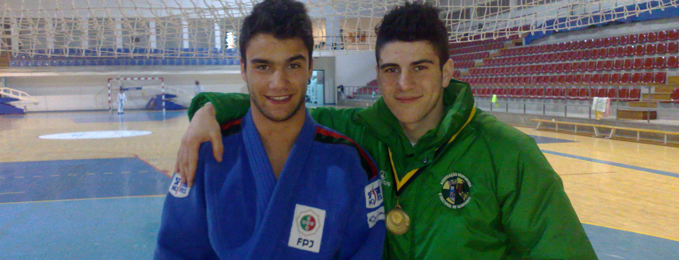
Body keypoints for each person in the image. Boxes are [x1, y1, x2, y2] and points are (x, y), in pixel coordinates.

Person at [174, 2, 598, 259]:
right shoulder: (361, 131)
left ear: (447, 71)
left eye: (420, 68)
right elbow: (284, 104)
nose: (404, 85)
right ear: (377, 72)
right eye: (391, 70)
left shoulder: (508, 154)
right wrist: (207, 109)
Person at [154, 0, 385, 259]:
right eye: (263, 66)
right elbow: (175, 251)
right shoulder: (206, 156)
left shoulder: (349, 164)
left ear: (310, 67)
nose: (279, 83)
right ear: (243, 68)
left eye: (293, 65)